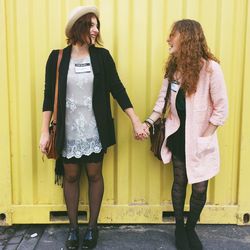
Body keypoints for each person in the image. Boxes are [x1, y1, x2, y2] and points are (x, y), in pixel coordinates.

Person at [39, 6, 146, 250]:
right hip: (68, 131)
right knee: (71, 176)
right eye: (91, 25)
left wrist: (135, 120)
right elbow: (48, 96)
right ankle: (73, 229)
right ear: (78, 28)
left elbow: (117, 89)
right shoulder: (57, 57)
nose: (96, 30)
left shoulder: (102, 57)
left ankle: (92, 228)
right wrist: (45, 131)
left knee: (95, 175)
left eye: (97, 25)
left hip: (94, 130)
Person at [143, 19, 228, 250]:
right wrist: (147, 123)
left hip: (200, 138)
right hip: (179, 136)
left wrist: (205, 138)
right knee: (180, 181)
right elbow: (162, 101)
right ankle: (179, 227)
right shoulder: (174, 69)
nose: (168, 39)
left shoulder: (211, 69)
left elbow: (221, 108)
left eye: (173, 35)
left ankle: (191, 228)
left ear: (187, 39)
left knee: (199, 187)